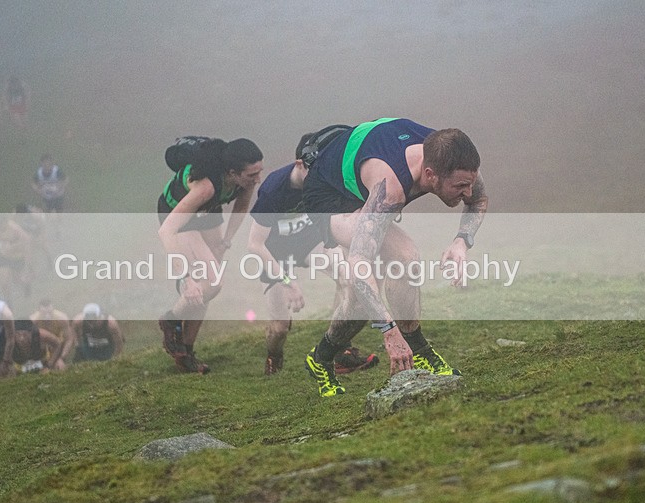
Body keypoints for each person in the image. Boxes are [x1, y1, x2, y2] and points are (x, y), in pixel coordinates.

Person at [301, 118, 488, 396]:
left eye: (469, 183)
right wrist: (389, 332)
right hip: (329, 194)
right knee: (388, 269)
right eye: (460, 186)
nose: (467, 192)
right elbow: (358, 264)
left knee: (380, 282)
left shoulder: (455, 160)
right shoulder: (390, 190)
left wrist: (461, 242)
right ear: (430, 174)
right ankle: (415, 347)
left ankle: (322, 357)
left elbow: (479, 200)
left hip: (364, 176)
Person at [247, 132, 379, 375]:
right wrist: (287, 282)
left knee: (347, 276)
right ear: (300, 164)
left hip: (311, 244)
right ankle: (273, 357)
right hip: (276, 255)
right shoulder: (273, 190)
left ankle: (339, 349)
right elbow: (255, 245)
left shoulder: (324, 179)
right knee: (279, 329)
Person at [157, 138, 263, 374]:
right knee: (210, 283)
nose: (257, 179)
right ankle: (171, 320)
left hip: (207, 212)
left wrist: (226, 240)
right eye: (252, 175)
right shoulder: (206, 186)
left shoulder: (243, 179)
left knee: (209, 286)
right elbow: (166, 230)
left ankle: (186, 351)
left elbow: (241, 207)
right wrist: (186, 277)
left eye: (260, 172)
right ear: (233, 172)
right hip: (178, 216)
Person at [0, 214, 32, 306]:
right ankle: (8, 303)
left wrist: (12, 247)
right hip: (3, 258)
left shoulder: (14, 228)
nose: (1, 226)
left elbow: (27, 240)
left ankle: (26, 284)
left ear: (6, 222)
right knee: (4, 283)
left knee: (17, 280)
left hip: (17, 257)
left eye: (2, 224)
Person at [30, 298, 74, 369]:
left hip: (58, 346)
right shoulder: (33, 321)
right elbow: (29, 341)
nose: (47, 316)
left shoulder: (61, 319)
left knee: (59, 367)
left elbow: (69, 339)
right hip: (41, 348)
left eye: (50, 312)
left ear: (53, 310)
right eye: (44, 313)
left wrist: (62, 357)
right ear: (39, 311)